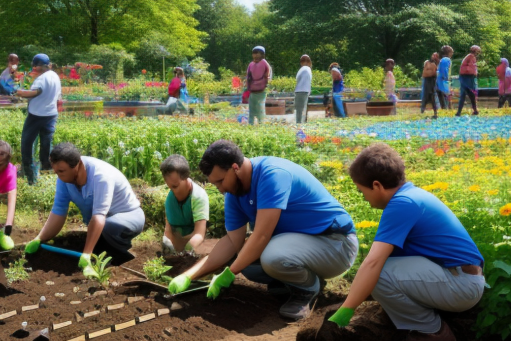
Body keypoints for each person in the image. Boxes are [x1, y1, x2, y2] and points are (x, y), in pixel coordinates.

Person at [167, 140, 357, 320]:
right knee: (246, 260)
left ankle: (307, 288)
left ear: (235, 167)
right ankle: (291, 281)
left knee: (270, 256)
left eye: (221, 181)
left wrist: (229, 273)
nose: (220, 189)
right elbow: (232, 242)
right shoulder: (234, 193)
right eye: (215, 184)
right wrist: (188, 276)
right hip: (302, 246)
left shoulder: (272, 175)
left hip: (336, 243)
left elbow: (262, 236)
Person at [328, 143, 484, 341]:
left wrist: (346, 309)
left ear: (377, 185)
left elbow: (373, 263)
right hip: (459, 279)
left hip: (460, 285)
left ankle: (430, 332)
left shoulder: (402, 204)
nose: (364, 198)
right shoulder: (411, 196)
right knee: (382, 269)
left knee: (380, 273)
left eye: (361, 191)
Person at [25, 143, 145, 272]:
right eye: (56, 171)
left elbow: (99, 216)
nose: (58, 176)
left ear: (77, 165)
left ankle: (121, 256)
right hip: (103, 223)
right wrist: (40, 238)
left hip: (128, 217)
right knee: (101, 232)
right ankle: (101, 252)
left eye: (61, 171)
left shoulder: (100, 176)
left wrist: (86, 253)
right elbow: (58, 211)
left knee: (108, 226)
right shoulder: (64, 180)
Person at [16, 54, 61, 186]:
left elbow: (35, 93)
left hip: (36, 116)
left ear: (38, 66)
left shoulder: (42, 79)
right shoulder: (55, 76)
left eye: (35, 66)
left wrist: (16, 92)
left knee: (27, 145)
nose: (34, 69)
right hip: (51, 115)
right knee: (46, 145)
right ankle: (48, 171)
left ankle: (31, 178)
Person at [160, 154, 208, 255]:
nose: (173, 191)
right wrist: (167, 242)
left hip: (194, 247)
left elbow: (199, 233)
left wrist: (187, 249)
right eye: (170, 187)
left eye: (175, 186)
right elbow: (168, 230)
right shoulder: (170, 199)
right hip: (177, 248)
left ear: (186, 177)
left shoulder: (198, 197)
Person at [246, 46, 271, 125]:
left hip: (261, 91)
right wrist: (248, 88)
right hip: (252, 91)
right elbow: (248, 77)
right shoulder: (251, 64)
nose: (256, 55)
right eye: (254, 53)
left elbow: (268, 76)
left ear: (262, 55)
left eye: (258, 53)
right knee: (251, 111)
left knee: (260, 110)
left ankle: (261, 126)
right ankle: (250, 126)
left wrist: (265, 84)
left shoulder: (264, 63)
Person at [456, 45, 480, 116]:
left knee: (465, 94)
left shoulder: (468, 56)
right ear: (475, 51)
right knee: (471, 94)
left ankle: (459, 111)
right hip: (468, 77)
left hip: (463, 77)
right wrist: (475, 74)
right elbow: (471, 68)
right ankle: (474, 110)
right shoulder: (471, 57)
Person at [294, 55, 313, 124]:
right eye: (303, 60)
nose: (305, 62)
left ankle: (299, 124)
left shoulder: (304, 69)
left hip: (301, 91)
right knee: (301, 110)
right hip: (303, 91)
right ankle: (300, 124)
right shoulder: (307, 69)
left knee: (300, 111)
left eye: (307, 61)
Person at [421, 53, 440, 118]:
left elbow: (434, 73)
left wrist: (431, 72)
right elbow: (425, 73)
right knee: (426, 96)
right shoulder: (427, 63)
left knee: (432, 96)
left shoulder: (435, 65)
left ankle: (435, 113)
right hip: (427, 81)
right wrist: (431, 72)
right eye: (433, 55)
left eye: (435, 56)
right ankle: (422, 111)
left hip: (432, 81)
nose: (433, 56)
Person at [436, 46, 454, 110]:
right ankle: (448, 109)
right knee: (447, 96)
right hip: (443, 81)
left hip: (440, 80)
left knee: (443, 96)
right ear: (448, 52)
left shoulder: (442, 60)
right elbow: (445, 70)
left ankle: (445, 109)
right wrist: (446, 78)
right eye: (452, 52)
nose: (452, 54)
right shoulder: (446, 59)